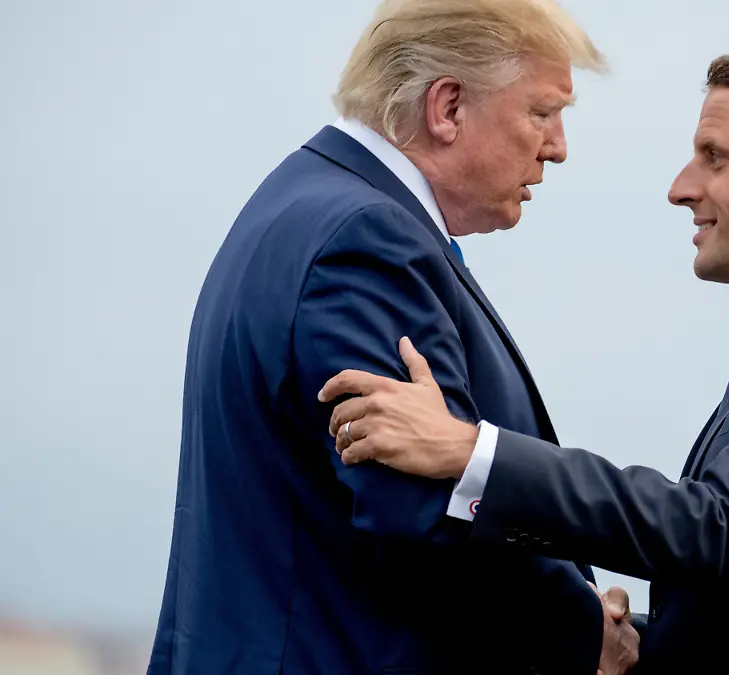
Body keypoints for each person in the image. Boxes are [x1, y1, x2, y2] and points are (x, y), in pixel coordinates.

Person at [318, 42, 729, 674]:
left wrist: (469, 452)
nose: (681, 188)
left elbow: (716, 526)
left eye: (714, 158)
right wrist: (620, 638)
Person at [146, 1, 639, 673]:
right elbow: (419, 515)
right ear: (448, 107)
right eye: (542, 112)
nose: (557, 146)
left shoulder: (301, 202)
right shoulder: (364, 241)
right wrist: (582, 630)